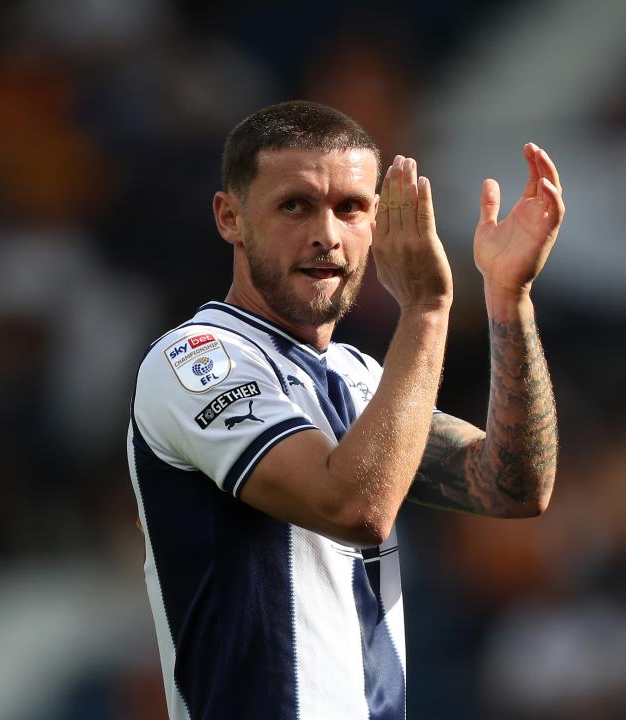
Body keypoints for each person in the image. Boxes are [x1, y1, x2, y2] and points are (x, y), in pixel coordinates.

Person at [127, 100, 563, 720]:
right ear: (230, 217)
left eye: (350, 207)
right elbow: (354, 508)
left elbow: (513, 486)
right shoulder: (196, 362)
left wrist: (509, 296)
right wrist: (427, 310)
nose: (326, 235)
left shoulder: (361, 378)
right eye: (295, 205)